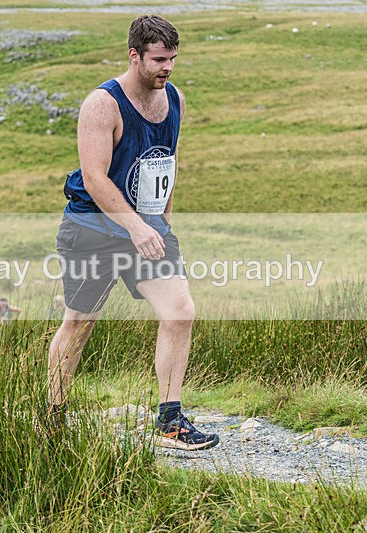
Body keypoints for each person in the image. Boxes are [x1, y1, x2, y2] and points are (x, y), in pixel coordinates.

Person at [48, 15, 218, 451]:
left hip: (148, 229)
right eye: (159, 59)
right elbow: (94, 178)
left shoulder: (173, 98)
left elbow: (167, 162)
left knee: (180, 311)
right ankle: (52, 416)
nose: (167, 68)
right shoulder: (101, 105)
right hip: (93, 230)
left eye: (173, 59)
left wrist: (162, 223)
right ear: (134, 55)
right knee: (79, 323)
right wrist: (136, 224)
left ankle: (170, 421)